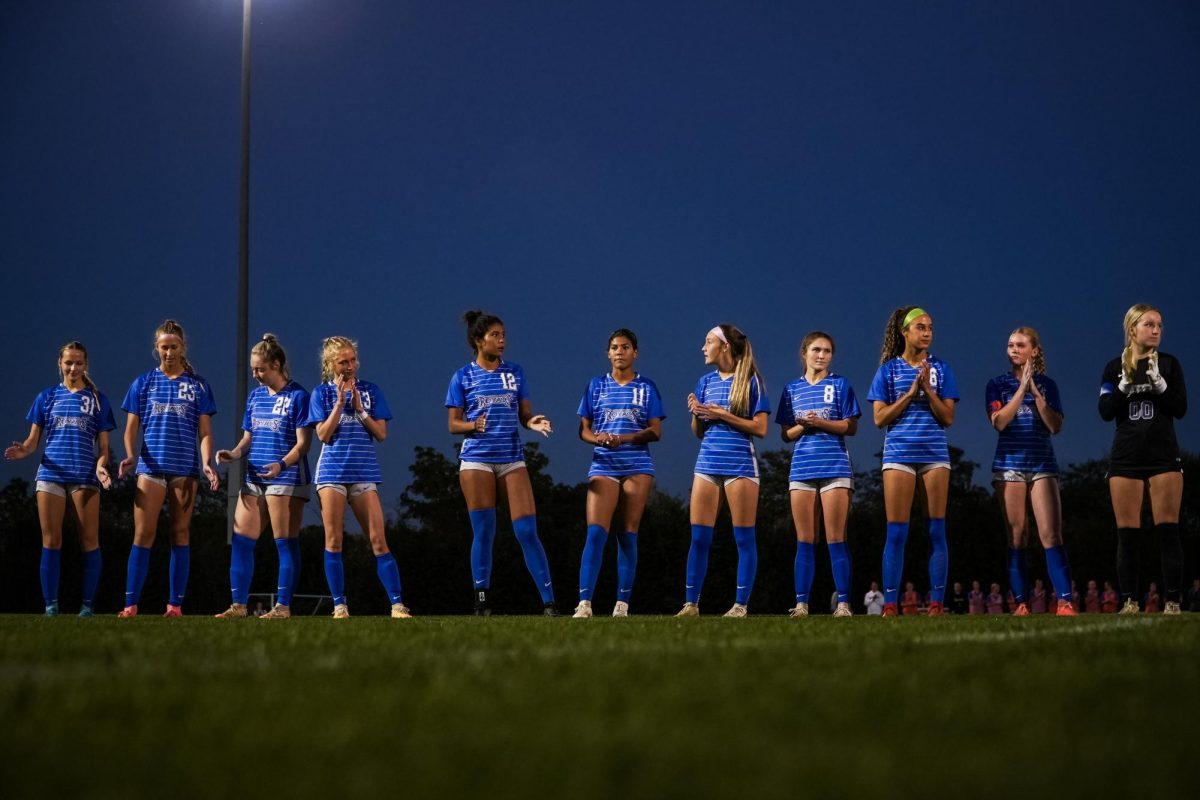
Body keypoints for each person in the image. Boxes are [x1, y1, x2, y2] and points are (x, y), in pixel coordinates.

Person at [446, 311, 557, 616]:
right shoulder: (463, 376)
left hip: (511, 458)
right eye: (494, 335)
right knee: (484, 532)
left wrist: (533, 422)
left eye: (503, 334)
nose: (502, 340)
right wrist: (472, 426)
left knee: (527, 531)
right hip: (477, 460)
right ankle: (481, 599)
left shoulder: (515, 372)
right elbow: (453, 425)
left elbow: (524, 414)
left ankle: (549, 603)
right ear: (478, 340)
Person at [6, 342, 115, 617]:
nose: (73, 368)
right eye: (68, 362)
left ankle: (87, 606)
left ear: (86, 365)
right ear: (60, 364)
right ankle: (51, 606)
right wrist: (24, 450)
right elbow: (32, 442)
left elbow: (103, 449)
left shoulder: (98, 400)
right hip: (51, 474)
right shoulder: (46, 397)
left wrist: (102, 467)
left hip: (84, 475)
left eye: (78, 363)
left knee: (89, 541)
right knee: (51, 541)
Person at [117, 320, 218, 617]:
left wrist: (207, 463)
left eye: (174, 347)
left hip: (184, 468)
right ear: (156, 349)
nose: (169, 352)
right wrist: (129, 455)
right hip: (151, 467)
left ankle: (174, 605)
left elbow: (205, 432)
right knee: (143, 533)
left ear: (183, 347)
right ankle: (131, 604)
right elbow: (130, 428)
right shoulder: (143, 383)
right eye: (164, 347)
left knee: (180, 532)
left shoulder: (198, 385)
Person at [307, 336, 408, 619]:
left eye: (353, 360)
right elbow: (324, 435)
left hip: (364, 472)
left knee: (378, 539)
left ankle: (398, 605)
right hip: (332, 473)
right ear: (330, 364)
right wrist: (340, 404)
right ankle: (340, 605)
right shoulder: (321, 394)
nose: (350, 366)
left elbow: (381, 434)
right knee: (334, 540)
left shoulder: (371, 391)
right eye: (343, 362)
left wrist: (360, 408)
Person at [868, 307, 959, 617]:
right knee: (896, 532)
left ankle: (936, 603)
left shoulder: (942, 368)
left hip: (935, 456)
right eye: (921, 327)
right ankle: (890, 604)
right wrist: (908, 395)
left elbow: (948, 418)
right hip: (899, 456)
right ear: (905, 332)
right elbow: (879, 418)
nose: (927, 332)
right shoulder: (888, 371)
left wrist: (929, 391)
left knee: (936, 530)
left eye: (931, 327)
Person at [214, 334, 312, 619]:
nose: (255, 375)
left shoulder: (298, 396)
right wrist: (233, 454)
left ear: (277, 364)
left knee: (284, 541)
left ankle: (282, 606)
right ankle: (238, 606)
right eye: (253, 369)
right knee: (242, 539)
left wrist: (281, 465)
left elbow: (304, 443)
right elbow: (249, 437)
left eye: (260, 369)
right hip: (255, 477)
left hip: (287, 477)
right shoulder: (256, 396)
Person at [1098, 304, 1187, 615]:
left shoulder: (1171, 364)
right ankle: (1129, 601)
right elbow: (1106, 411)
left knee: (1168, 532)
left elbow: (1180, 408)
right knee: (1128, 536)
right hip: (1126, 459)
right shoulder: (1113, 367)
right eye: (1149, 324)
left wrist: (1159, 384)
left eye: (1160, 325)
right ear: (1132, 329)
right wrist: (1125, 384)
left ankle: (1173, 602)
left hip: (1163, 456)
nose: (1156, 330)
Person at [677, 324, 769, 618]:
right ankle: (691, 604)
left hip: (740, 466)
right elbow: (699, 432)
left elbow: (761, 428)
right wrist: (697, 414)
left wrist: (722, 414)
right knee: (699, 538)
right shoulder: (704, 381)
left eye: (708, 342)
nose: (703, 348)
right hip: (706, 464)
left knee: (743, 539)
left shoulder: (752, 381)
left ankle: (740, 605)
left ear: (725, 346)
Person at [572, 329, 664, 618]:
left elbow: (656, 431)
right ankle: (584, 603)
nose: (619, 352)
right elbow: (584, 430)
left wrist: (622, 439)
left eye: (625, 347)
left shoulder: (647, 387)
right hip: (604, 464)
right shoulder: (595, 385)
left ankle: (622, 605)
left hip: (637, 464)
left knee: (627, 533)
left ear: (635, 352)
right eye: (614, 347)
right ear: (607, 353)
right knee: (596, 533)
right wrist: (598, 439)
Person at [987, 327, 1077, 617]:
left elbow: (1055, 426)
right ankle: (1021, 603)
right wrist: (1020, 391)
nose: (1014, 349)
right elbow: (1000, 422)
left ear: (1034, 351)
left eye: (1020, 345)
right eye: (1010, 344)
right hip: (1009, 466)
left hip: (1042, 466)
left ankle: (1064, 602)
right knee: (1017, 536)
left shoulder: (1048, 385)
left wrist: (1036, 393)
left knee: (1051, 534)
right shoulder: (997, 384)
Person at [775, 331, 861, 618]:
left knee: (836, 537)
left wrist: (820, 422)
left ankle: (845, 604)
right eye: (816, 350)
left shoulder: (840, 384)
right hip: (801, 469)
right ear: (804, 353)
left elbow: (851, 427)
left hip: (835, 467)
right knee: (805, 539)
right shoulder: (791, 389)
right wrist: (803, 425)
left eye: (826, 351)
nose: (821, 355)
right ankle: (801, 604)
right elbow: (786, 434)